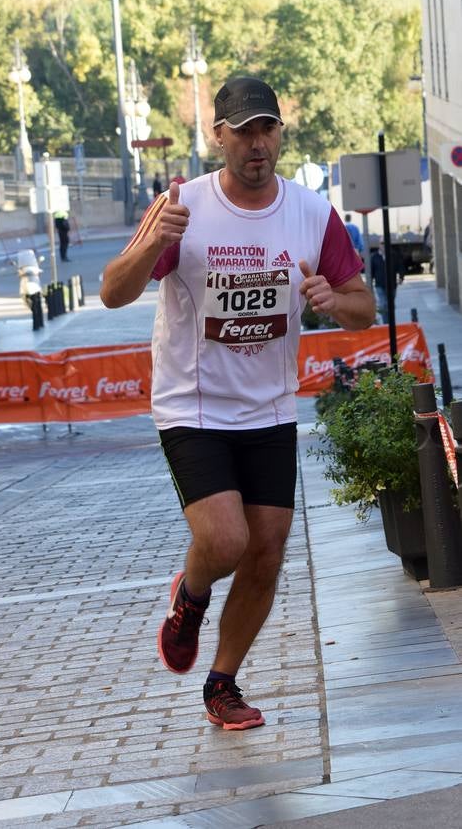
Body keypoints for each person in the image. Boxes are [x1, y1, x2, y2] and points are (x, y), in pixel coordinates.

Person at [100, 76, 375, 731]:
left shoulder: (312, 212)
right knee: (225, 539)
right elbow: (113, 292)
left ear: (280, 134)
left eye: (267, 129)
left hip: (269, 407)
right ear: (216, 136)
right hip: (193, 406)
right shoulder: (182, 205)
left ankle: (221, 683)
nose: (256, 144)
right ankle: (190, 598)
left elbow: (362, 305)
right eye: (243, 131)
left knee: (266, 551)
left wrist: (336, 303)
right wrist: (150, 241)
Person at [370, 241, 405, 323]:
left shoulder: (394, 255)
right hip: (379, 285)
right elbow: (371, 271)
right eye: (381, 243)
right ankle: (386, 324)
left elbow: (400, 267)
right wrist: (370, 283)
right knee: (383, 304)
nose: (383, 245)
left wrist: (401, 277)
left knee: (391, 304)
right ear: (379, 245)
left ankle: (391, 322)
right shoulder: (374, 257)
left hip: (392, 285)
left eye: (385, 243)